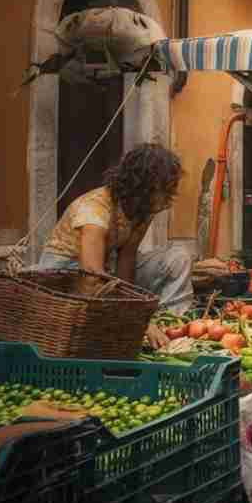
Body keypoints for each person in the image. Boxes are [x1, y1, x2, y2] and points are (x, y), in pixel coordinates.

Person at [36, 144, 193, 349]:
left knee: (178, 258)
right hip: (68, 273)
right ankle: (138, 327)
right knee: (97, 287)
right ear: (145, 186)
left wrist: (131, 303)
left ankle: (170, 329)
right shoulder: (94, 209)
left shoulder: (143, 209)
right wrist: (137, 320)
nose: (169, 198)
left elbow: (126, 259)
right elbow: (91, 278)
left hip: (105, 269)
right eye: (165, 190)